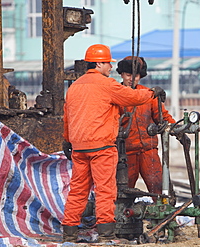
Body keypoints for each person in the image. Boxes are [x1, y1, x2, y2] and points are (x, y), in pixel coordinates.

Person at [62, 44, 166, 243]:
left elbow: (67, 116)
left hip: (79, 147)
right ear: (99, 63)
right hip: (102, 147)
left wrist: (67, 139)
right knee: (105, 191)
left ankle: (69, 233)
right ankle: (106, 234)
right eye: (108, 63)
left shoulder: (75, 86)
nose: (110, 67)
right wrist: (152, 93)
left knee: (78, 190)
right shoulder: (107, 84)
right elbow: (132, 96)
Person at [116, 56, 175, 199]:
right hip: (125, 153)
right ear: (122, 74)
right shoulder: (116, 95)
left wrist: (176, 128)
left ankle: (163, 214)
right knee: (123, 191)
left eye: (135, 76)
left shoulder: (149, 95)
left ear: (140, 76)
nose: (132, 79)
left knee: (159, 188)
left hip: (148, 151)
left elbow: (163, 116)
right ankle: (122, 216)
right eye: (128, 75)